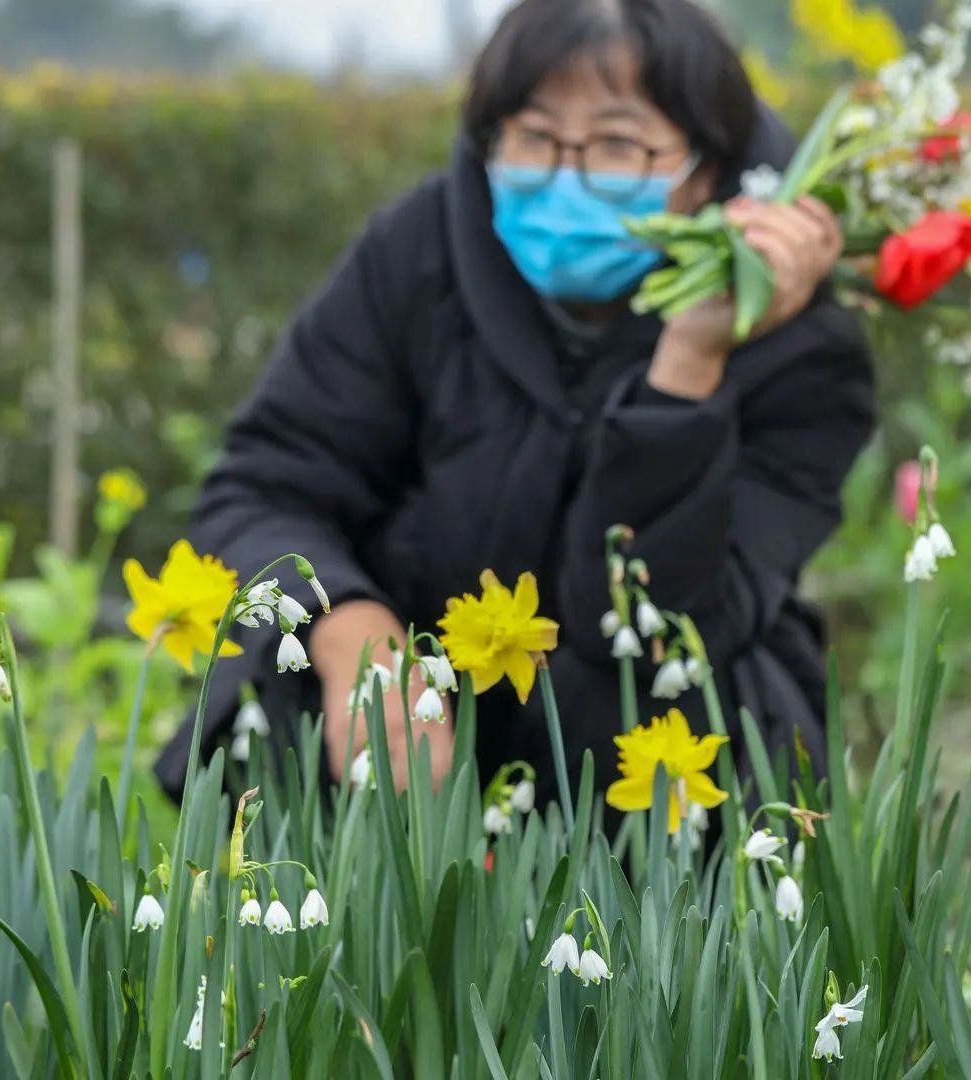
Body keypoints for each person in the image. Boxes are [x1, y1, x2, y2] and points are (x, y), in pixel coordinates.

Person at [155, 0, 875, 805]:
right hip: (410, 705)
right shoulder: (419, 249)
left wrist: (690, 363)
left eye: (616, 144)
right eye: (534, 137)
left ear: (707, 169)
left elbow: (650, 619)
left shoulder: (799, 339)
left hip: (642, 751)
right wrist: (344, 622)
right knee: (282, 672)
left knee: (649, 696)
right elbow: (266, 485)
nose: (565, 176)